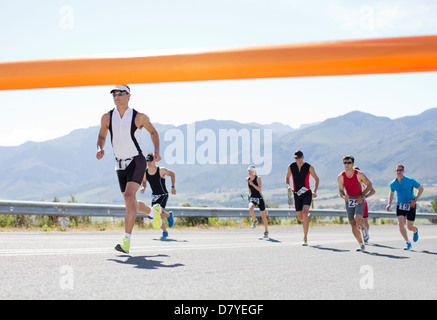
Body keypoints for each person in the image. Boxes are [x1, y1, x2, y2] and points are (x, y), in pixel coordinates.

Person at [96, 85, 161, 254]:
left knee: (128, 196)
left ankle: (126, 240)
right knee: (130, 201)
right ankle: (153, 213)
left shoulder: (139, 117)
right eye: (114, 94)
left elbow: (153, 132)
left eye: (120, 93)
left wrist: (156, 152)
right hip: (119, 163)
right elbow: (102, 136)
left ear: (128, 95)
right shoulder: (107, 117)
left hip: (136, 161)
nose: (116, 96)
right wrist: (99, 148)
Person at [337, 155, 373, 252]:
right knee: (353, 225)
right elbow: (340, 190)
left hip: (358, 199)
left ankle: (364, 229)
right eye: (345, 163)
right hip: (349, 200)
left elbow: (369, 185)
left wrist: (362, 195)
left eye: (349, 163)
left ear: (353, 164)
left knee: (358, 218)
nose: (347, 165)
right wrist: (343, 196)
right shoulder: (341, 176)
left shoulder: (359, 174)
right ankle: (361, 244)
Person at [285, 150, 319, 246]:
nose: (298, 160)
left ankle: (305, 238)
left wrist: (314, 191)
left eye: (299, 158)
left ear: (303, 157)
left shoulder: (309, 167)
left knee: (304, 213)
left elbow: (316, 179)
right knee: (300, 218)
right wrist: (288, 185)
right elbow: (287, 177)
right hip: (296, 194)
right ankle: (307, 218)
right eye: (296, 158)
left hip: (306, 193)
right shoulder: (291, 166)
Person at [386, 164, 424, 250]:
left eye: (400, 170)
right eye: (397, 170)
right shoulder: (393, 183)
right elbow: (391, 193)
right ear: (395, 171)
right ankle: (407, 242)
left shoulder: (410, 180)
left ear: (403, 171)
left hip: (411, 205)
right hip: (400, 206)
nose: (399, 172)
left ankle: (415, 230)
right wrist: (389, 204)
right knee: (400, 223)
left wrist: (415, 200)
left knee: (409, 227)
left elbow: (421, 189)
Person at [138, 153, 176, 239]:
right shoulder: (145, 173)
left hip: (163, 195)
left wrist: (173, 187)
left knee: (157, 213)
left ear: (155, 160)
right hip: (154, 196)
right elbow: (144, 182)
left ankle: (165, 230)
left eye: (150, 160)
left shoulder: (161, 170)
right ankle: (167, 222)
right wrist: (143, 187)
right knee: (155, 214)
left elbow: (172, 174)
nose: (149, 162)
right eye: (147, 160)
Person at [354, 166, 376, 244]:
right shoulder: (350, 181)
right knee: (356, 220)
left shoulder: (363, 181)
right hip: (353, 202)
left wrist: (364, 196)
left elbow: (373, 191)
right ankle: (361, 236)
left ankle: (365, 236)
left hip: (362, 202)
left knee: (365, 220)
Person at [246, 165, 269, 239]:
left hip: (259, 198)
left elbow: (259, 189)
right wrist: (249, 196)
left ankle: (266, 231)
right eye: (249, 171)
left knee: (263, 216)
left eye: (251, 171)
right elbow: (249, 189)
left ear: (254, 171)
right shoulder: (248, 179)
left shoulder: (258, 178)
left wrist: (252, 184)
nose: (249, 172)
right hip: (253, 198)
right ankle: (255, 220)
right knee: (250, 208)